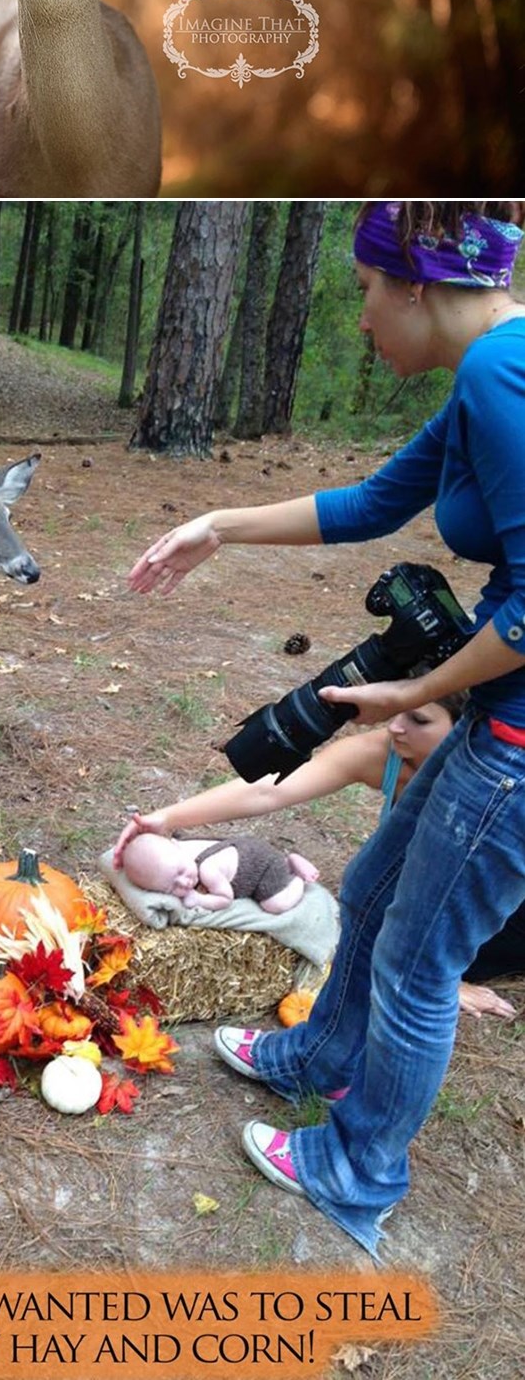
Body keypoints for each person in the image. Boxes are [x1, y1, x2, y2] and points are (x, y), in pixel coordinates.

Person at [126, 200, 525, 1260]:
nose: (358, 320)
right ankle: (319, 1056)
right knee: (382, 888)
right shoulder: (491, 373)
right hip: (500, 723)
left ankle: (359, 1171)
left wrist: (412, 692)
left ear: (416, 286)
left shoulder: (501, 372)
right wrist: (219, 523)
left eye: (360, 291)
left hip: (519, 752)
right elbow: (372, 499)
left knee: (418, 958)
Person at [113, 689, 523, 1017]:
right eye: (398, 709)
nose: (396, 726)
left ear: (469, 727)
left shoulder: (500, 783)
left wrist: (438, 976)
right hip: (426, 892)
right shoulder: (386, 751)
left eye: (419, 719)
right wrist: (163, 819)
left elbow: (471, 888)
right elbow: (267, 789)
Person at [118, 825, 318, 914]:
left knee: (274, 905)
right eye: (171, 888)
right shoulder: (176, 852)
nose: (184, 883)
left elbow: (225, 899)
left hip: (263, 867)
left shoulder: (208, 870)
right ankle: (288, 862)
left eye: (180, 872)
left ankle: (296, 873)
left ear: (176, 846)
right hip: (243, 847)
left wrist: (200, 900)